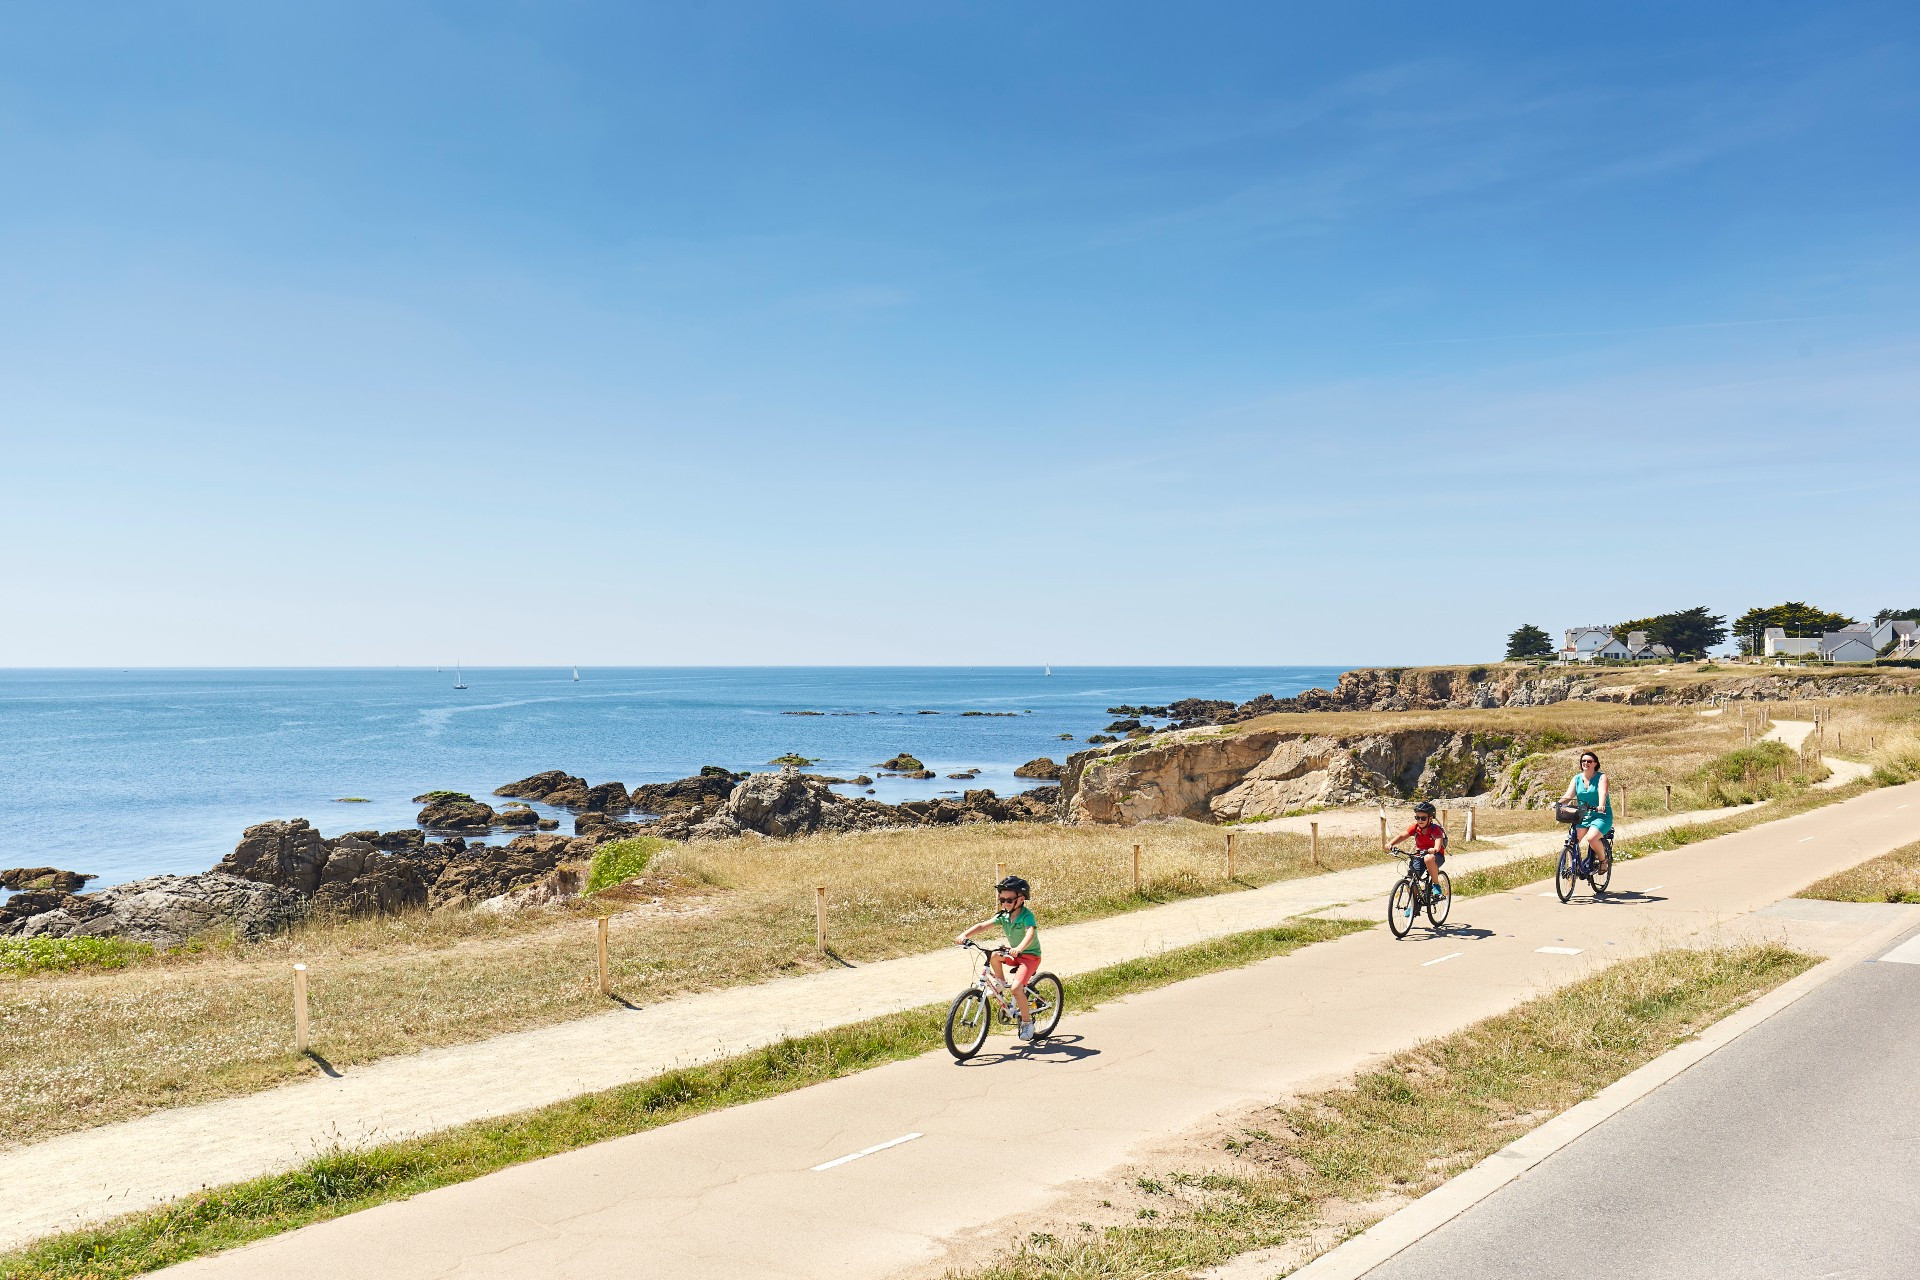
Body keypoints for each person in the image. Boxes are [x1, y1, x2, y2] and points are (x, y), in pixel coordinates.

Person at [957, 875, 1043, 1041]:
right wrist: (964, 935)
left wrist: (1019, 948)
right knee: (994, 956)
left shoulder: (1026, 916)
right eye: (1001, 899)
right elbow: (983, 925)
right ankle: (1000, 984)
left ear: (1021, 899)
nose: (1004, 903)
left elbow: (1030, 933)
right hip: (1013, 953)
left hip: (1029, 956)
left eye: (1009, 900)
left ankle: (1027, 1023)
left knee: (1017, 988)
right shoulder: (1003, 916)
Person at [1557, 750, 1613, 875]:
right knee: (1572, 841)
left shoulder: (1601, 777)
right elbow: (1569, 795)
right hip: (1582, 813)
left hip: (1601, 815)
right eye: (1583, 761)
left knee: (1592, 838)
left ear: (1595, 763)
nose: (1585, 763)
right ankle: (1573, 869)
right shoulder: (1576, 778)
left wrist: (1601, 805)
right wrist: (1559, 803)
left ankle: (1603, 861)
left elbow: (1602, 792)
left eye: (1589, 761)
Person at [1388, 801, 1448, 897]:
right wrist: (1390, 844)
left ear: (1431, 818)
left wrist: (1435, 849)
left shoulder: (1435, 829)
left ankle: (1436, 885)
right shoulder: (1416, 828)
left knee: (1428, 858)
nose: (1420, 820)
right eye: (1417, 817)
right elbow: (1402, 835)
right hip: (1420, 855)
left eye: (1423, 818)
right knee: (1410, 879)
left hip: (1436, 856)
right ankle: (1413, 905)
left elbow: (1438, 839)